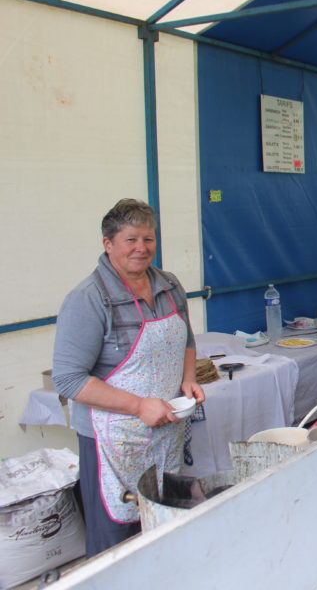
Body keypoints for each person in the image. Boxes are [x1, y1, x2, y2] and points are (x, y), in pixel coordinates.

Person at [52, 199, 205, 556]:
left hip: (166, 430)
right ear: (108, 244)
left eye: (148, 239)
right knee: (118, 541)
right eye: (131, 240)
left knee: (166, 522)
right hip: (113, 441)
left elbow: (186, 339)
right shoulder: (89, 299)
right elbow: (69, 380)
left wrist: (187, 380)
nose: (141, 248)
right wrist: (138, 406)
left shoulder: (168, 285)